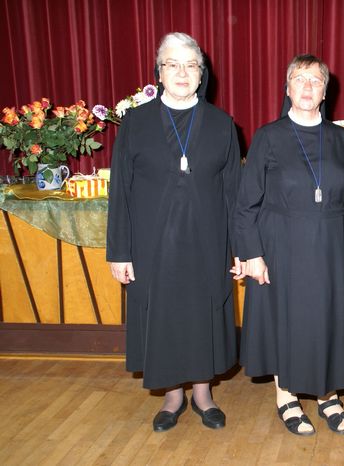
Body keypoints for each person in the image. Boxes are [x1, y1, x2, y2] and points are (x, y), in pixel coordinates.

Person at [106, 32, 241, 432]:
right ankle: (172, 396)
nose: (182, 73)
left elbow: (234, 193)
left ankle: (203, 394)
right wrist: (119, 251)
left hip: (207, 244)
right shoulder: (135, 122)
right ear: (159, 72)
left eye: (191, 65)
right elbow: (120, 191)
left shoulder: (221, 124)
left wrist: (240, 249)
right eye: (173, 64)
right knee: (163, 318)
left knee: (202, 317)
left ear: (202, 73)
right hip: (152, 246)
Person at [234, 54, 344, 436]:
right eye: (299, 79)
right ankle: (287, 395)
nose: (308, 87)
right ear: (287, 88)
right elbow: (246, 202)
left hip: (333, 244)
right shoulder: (269, 136)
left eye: (316, 80)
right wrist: (252, 253)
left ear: (326, 91)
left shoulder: (342, 138)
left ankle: (328, 395)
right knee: (287, 319)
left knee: (328, 319)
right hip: (282, 243)